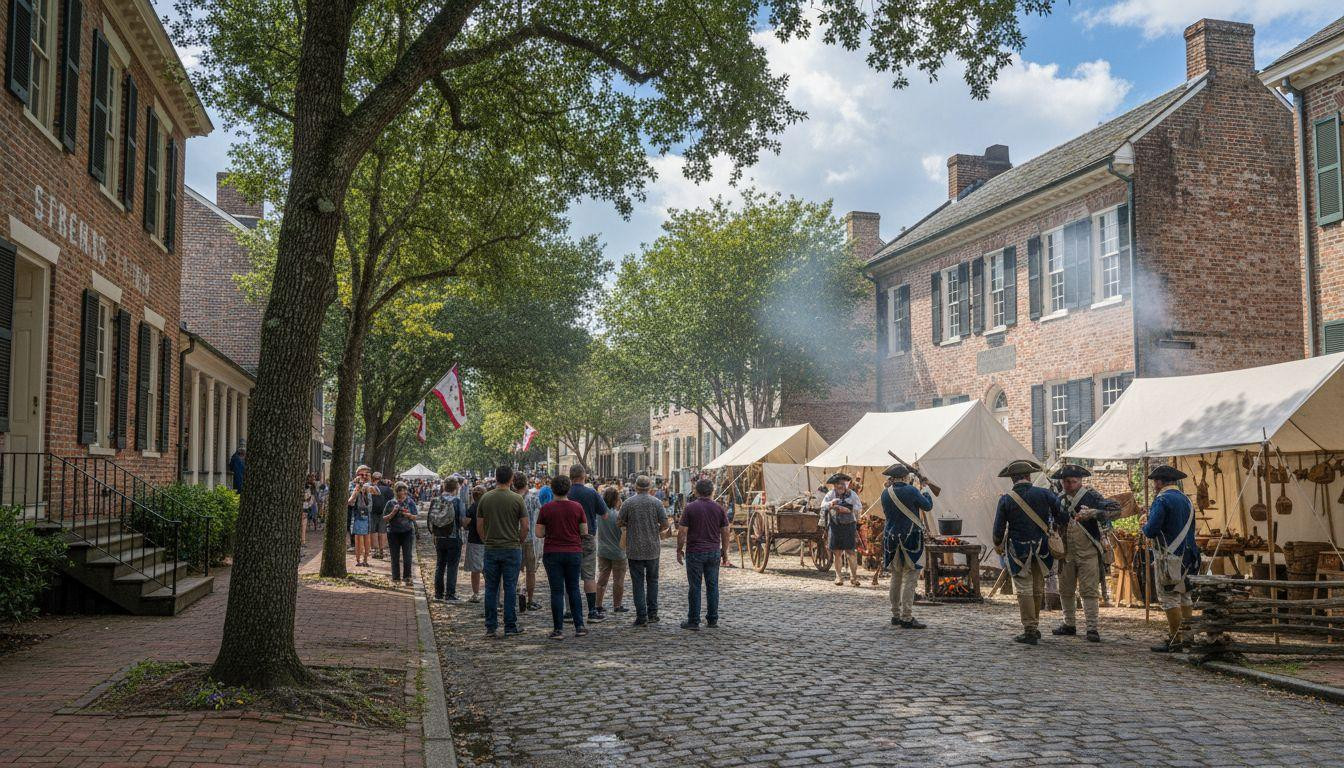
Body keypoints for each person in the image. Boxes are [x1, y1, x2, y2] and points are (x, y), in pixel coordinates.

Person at [1051, 464, 1123, 643]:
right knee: (1065, 589)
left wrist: (1094, 513)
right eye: (1066, 482)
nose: (1069, 485)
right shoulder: (1058, 499)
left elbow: (1116, 509)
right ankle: (1069, 624)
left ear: (1080, 481)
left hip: (1088, 551)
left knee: (1089, 590)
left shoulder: (1091, 496)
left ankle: (1092, 628)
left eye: (1073, 481)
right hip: (1066, 552)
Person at [992, 459, 1061, 645]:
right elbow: (1061, 515)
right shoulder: (1045, 494)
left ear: (1012, 479)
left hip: (1018, 550)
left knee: (1024, 589)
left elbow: (998, 529)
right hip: (1042, 548)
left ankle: (1030, 629)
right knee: (1037, 587)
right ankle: (1034, 625)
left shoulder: (1006, 499)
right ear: (1028, 476)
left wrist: (998, 544)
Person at [1143, 465, 1200, 653]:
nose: (1154, 486)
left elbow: (1151, 530)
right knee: (1185, 595)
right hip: (1190, 555)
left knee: (1169, 598)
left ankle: (1176, 640)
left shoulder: (1162, 500)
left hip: (1171, 556)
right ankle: (1188, 638)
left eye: (1155, 482)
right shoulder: (1186, 500)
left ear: (1160, 482)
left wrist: (1144, 526)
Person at [881, 463, 934, 629]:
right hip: (911, 538)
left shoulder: (885, 493)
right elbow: (927, 506)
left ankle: (895, 614)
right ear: (905, 477)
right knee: (910, 578)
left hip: (891, 539)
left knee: (896, 577)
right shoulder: (911, 491)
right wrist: (925, 490)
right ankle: (906, 616)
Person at [536, 475, 589, 640]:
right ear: (568, 489)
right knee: (573, 589)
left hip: (552, 552)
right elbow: (584, 531)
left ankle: (558, 629)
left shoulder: (546, 509)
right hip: (573, 551)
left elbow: (539, 533)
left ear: (552, 489)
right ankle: (579, 626)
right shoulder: (577, 507)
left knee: (557, 591)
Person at [476, 465, 527, 638]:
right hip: (511, 548)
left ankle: (491, 626)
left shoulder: (485, 498)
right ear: (511, 479)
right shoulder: (517, 499)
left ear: (496, 478)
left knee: (491, 587)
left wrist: (486, 539)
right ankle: (510, 625)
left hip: (491, 548)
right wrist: (519, 541)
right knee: (510, 587)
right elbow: (525, 526)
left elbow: (479, 525)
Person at [677, 478, 730, 630]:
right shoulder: (719, 508)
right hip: (713, 551)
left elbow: (682, 532)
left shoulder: (690, 508)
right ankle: (712, 619)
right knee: (712, 586)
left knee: (695, 587)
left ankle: (694, 621)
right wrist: (725, 552)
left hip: (695, 552)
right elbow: (726, 531)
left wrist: (679, 550)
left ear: (696, 491)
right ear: (712, 491)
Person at [620, 475, 670, 626]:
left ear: (636, 487)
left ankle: (641, 616)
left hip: (634, 548)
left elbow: (619, 522)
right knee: (653, 581)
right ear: (649, 488)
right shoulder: (656, 503)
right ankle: (653, 613)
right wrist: (655, 530)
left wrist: (630, 526)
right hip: (652, 548)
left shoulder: (628, 503)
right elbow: (665, 524)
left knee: (638, 583)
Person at [566, 465, 610, 623]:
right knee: (589, 576)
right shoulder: (591, 493)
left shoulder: (565, 493)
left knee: (569, 576)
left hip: (568, 537)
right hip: (587, 537)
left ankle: (569, 612)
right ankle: (592, 611)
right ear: (583, 476)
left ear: (570, 476)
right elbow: (605, 514)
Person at [821, 472, 863, 587]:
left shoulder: (852, 494)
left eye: (842, 484)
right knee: (837, 552)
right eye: (838, 484)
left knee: (851, 552)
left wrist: (848, 509)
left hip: (849, 525)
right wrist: (831, 503)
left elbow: (859, 507)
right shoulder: (830, 494)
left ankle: (854, 577)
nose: (840, 486)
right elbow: (823, 505)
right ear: (834, 485)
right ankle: (838, 577)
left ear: (845, 485)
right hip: (835, 525)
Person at [430, 477, 465, 601]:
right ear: (456, 488)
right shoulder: (457, 501)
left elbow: (432, 519)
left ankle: (438, 594)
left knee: (440, 565)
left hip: (439, 536)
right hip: (454, 537)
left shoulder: (436, 500)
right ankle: (450, 594)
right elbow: (462, 520)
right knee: (452, 566)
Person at [596, 486, 628, 614]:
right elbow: (624, 533)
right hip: (618, 552)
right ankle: (617, 605)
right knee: (618, 580)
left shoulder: (600, 515)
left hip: (603, 550)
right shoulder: (618, 516)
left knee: (602, 579)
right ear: (616, 500)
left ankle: (598, 604)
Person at [512, 472, 542, 613]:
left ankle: (518, 592)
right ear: (526, 483)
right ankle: (530, 600)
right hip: (530, 538)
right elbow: (541, 514)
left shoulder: (511, 499)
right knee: (530, 572)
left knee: (514, 571)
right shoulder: (533, 498)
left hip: (514, 538)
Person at [384, 481, 419, 585]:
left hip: (407, 532)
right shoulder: (390, 503)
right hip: (393, 532)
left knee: (407, 556)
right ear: (396, 492)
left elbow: (415, 516)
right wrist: (393, 512)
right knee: (394, 556)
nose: (402, 494)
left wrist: (408, 515)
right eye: (400, 491)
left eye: (404, 491)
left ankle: (407, 577)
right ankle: (396, 578)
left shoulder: (410, 502)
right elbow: (385, 518)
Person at [347, 466, 376, 567]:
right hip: (357, 514)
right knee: (358, 538)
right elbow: (351, 501)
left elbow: (376, 492)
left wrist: (369, 483)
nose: (363, 476)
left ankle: (366, 559)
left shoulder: (369, 484)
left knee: (367, 538)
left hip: (367, 514)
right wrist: (357, 487)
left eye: (365, 474)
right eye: (361, 474)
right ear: (357, 475)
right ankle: (358, 560)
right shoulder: (352, 485)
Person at [464, 485, 487, 602]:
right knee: (488, 569)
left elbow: (465, 524)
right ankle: (491, 591)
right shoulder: (488, 506)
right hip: (487, 540)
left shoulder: (472, 507)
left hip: (474, 541)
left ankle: (476, 593)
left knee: (475, 570)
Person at [369, 472, 393, 560]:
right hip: (384, 512)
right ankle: (382, 551)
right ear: (381, 478)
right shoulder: (387, 489)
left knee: (373, 531)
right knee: (382, 531)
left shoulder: (370, 488)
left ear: (373, 478)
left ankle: (375, 551)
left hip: (373, 511)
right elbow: (392, 499)